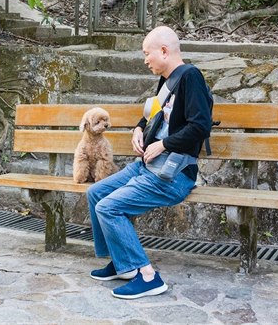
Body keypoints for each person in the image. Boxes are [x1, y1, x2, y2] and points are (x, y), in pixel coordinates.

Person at [86, 26, 213, 299]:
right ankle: (123, 263)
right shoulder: (167, 81)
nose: (145, 60)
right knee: (96, 193)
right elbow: (152, 115)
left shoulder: (191, 78)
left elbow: (200, 126)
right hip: (147, 166)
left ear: (164, 51)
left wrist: (164, 144)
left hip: (174, 173)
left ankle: (148, 276)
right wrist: (138, 128)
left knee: (109, 207)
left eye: (147, 54)